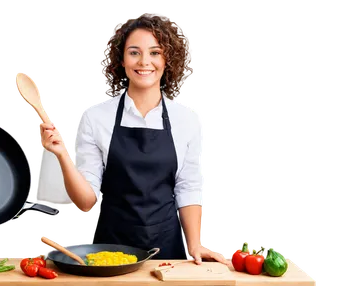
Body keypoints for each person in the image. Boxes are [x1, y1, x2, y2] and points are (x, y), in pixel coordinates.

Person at [38, 12, 228, 265]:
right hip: (111, 251)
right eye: (134, 52)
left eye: (155, 52)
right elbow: (85, 203)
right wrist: (62, 154)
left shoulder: (186, 120)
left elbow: (189, 188)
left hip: (168, 251)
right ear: (122, 60)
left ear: (168, 59)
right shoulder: (97, 117)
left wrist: (195, 244)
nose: (144, 62)